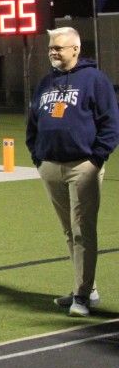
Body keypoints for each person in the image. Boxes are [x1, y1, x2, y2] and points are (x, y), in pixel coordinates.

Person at [26, 26, 118, 317]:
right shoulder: (45, 83)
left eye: (58, 48)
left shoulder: (95, 79)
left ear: (75, 49)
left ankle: (82, 295)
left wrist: (96, 158)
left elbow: (110, 123)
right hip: (50, 166)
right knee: (69, 231)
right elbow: (33, 122)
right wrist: (38, 157)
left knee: (82, 231)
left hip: (83, 166)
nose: (52, 52)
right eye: (50, 48)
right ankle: (86, 287)